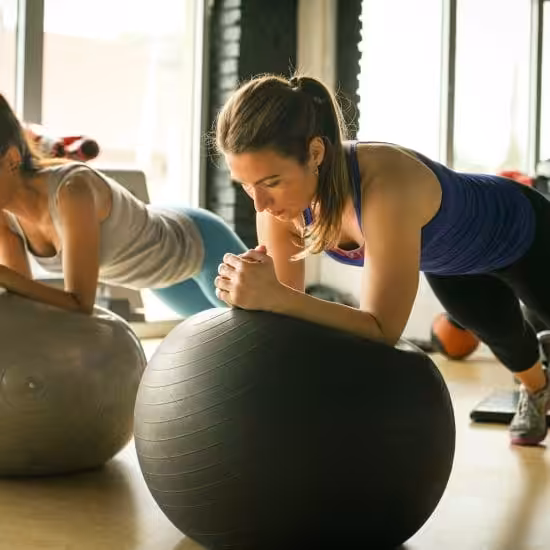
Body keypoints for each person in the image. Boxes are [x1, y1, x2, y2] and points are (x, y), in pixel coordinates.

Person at [213, 73, 550, 447]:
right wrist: (252, 295)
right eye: (244, 184)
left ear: (315, 154)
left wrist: (273, 295)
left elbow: (381, 328)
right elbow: (285, 319)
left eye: (271, 182)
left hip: (524, 231)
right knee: (506, 338)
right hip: (448, 262)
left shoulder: (384, 185)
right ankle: (538, 390)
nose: (258, 203)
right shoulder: (276, 210)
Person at [0, 94, 246, 318]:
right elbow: (23, 301)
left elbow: (80, 302)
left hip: (198, 245)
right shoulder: (5, 216)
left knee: (263, 341)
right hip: (158, 278)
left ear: (11, 159)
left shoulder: (71, 189)